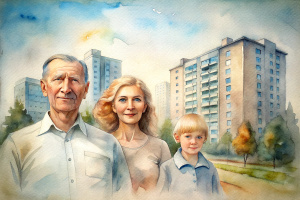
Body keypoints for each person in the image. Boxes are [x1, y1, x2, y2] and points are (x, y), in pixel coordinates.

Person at [0, 54, 131, 200]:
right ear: (44, 87)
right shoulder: (17, 145)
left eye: (74, 80)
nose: (66, 88)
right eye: (58, 79)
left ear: (86, 89)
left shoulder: (109, 143)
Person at [93, 75, 171, 195]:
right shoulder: (100, 145)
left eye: (137, 99)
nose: (130, 106)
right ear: (113, 106)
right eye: (123, 100)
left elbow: (169, 193)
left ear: (144, 106)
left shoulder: (160, 147)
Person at [156, 114, 224, 199]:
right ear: (177, 137)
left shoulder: (210, 168)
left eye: (199, 137)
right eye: (188, 136)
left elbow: (219, 197)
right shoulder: (167, 168)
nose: (194, 141)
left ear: (205, 139)